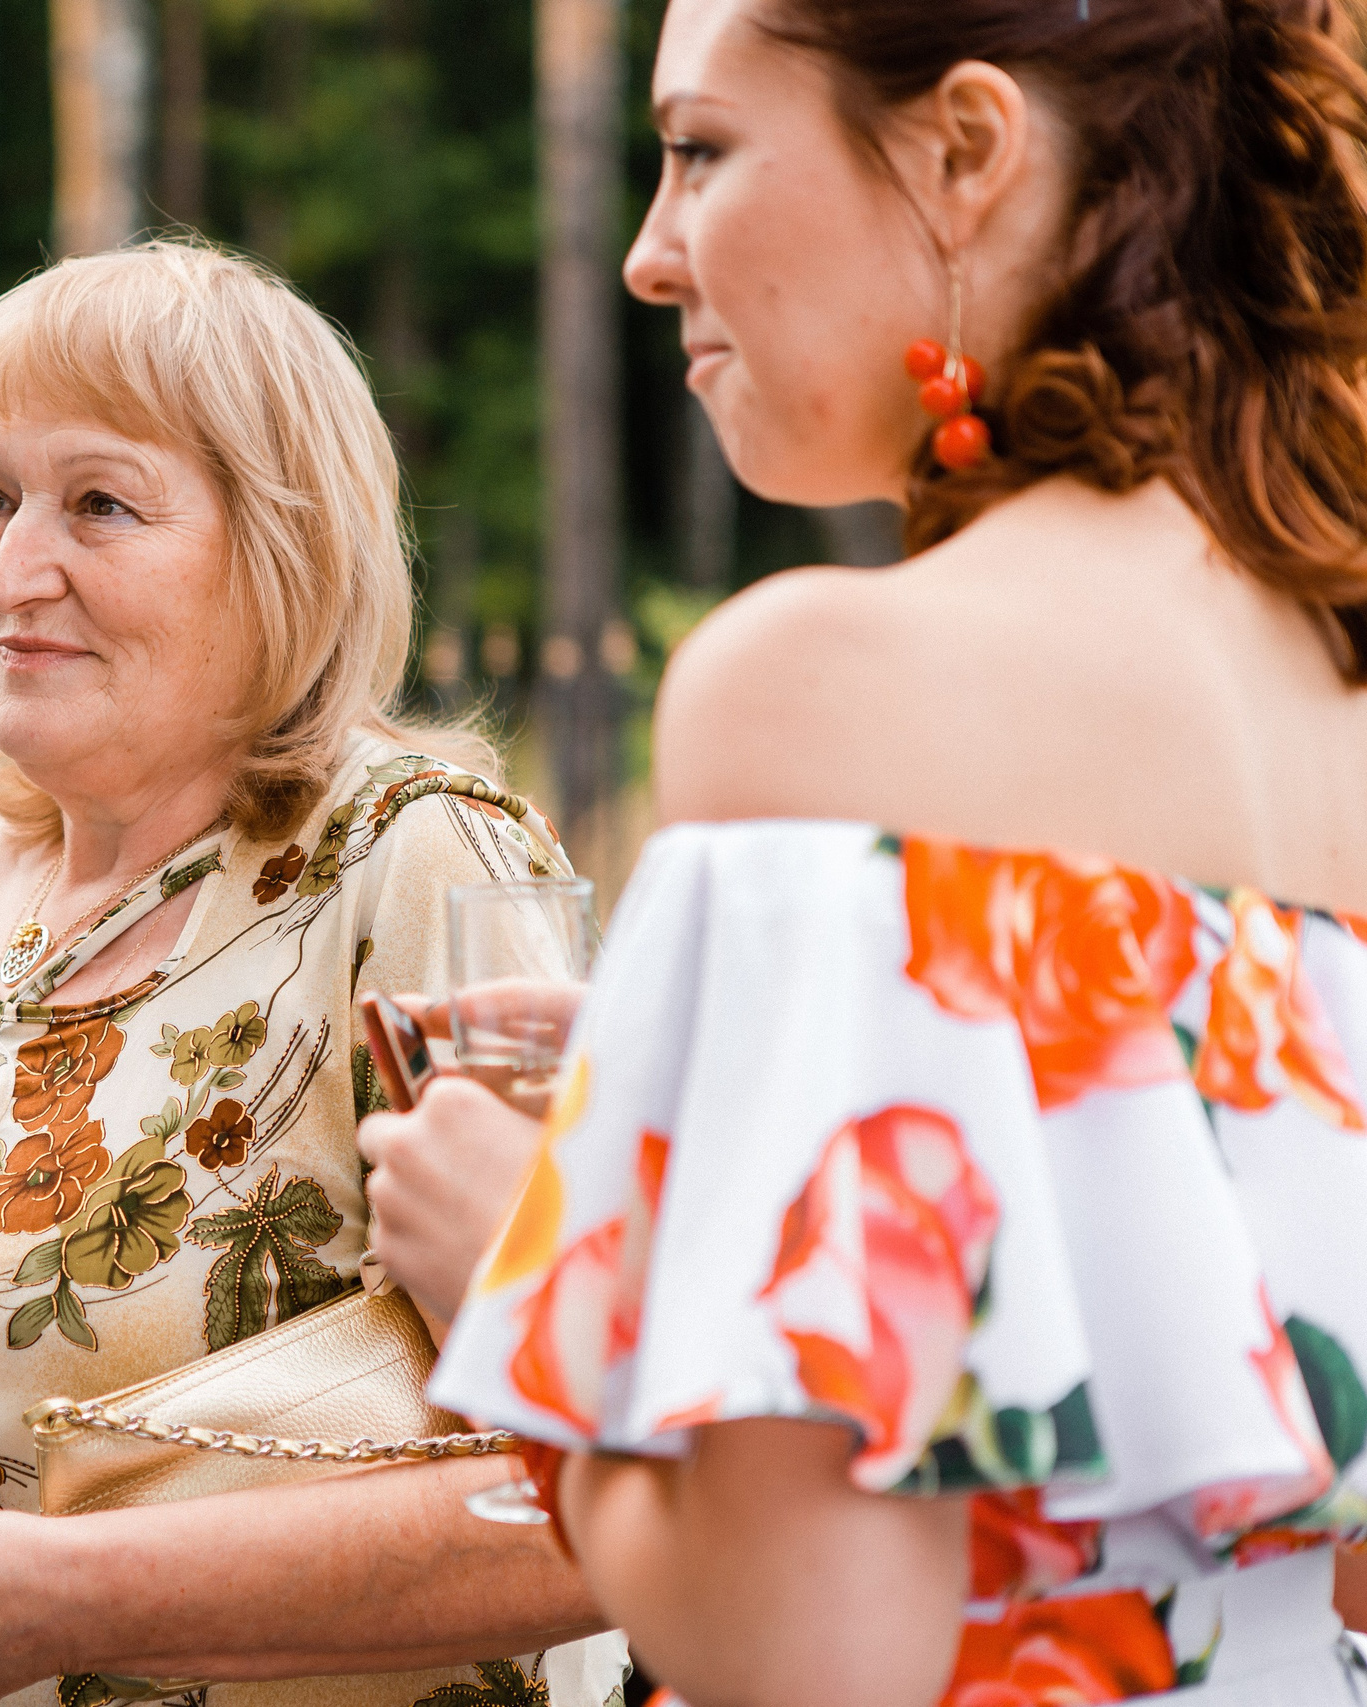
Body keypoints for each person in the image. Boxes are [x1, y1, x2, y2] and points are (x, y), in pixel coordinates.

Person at [365, 0, 1367, 1702]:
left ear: (966, 151)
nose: (649, 255)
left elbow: (807, 1652)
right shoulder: (1331, 679)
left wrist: (522, 1272)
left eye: (701, 152)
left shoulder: (824, 690)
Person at [0, 242, 630, 1707]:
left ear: (280, 546)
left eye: (101, 504)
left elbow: (614, 1491)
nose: (8, 568)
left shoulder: (413, 861)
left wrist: (66, 1601)